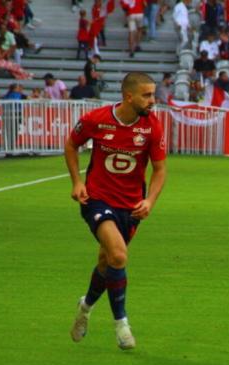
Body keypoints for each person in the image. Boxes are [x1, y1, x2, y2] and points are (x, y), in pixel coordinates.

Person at [65, 72, 167, 350]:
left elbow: (160, 170)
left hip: (131, 206)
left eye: (153, 94)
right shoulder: (96, 119)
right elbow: (72, 144)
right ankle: (121, 324)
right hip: (97, 199)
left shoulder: (152, 127)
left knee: (106, 262)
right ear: (128, 96)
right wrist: (76, 181)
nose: (152, 101)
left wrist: (150, 202)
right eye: (146, 95)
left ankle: (85, 308)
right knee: (119, 256)